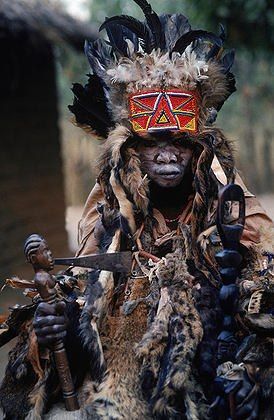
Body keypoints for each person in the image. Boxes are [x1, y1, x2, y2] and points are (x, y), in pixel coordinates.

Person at [0, 1, 273, 419]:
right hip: (120, 374)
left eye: (179, 143)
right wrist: (60, 329)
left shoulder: (228, 198)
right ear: (131, 149)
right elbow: (85, 295)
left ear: (199, 148)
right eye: (152, 144)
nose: (166, 157)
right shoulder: (109, 206)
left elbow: (262, 279)